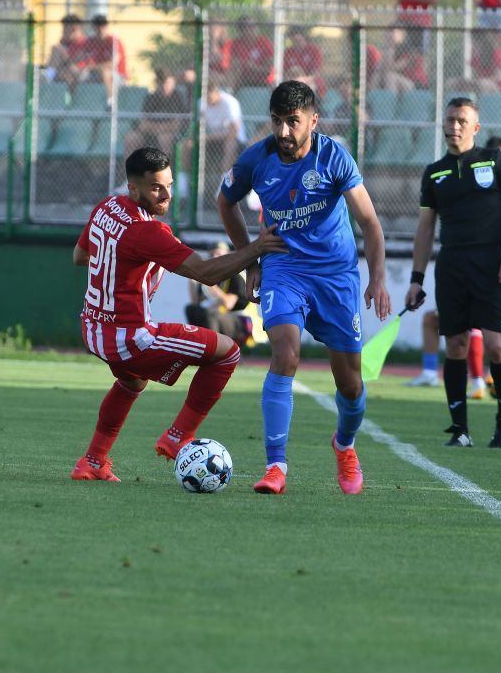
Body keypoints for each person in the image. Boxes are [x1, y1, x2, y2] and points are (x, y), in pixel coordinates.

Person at [217, 80, 391, 494]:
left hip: (336, 275)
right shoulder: (255, 160)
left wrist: (378, 277)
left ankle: (344, 445)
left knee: (350, 384)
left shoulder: (333, 157)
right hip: (284, 268)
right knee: (285, 353)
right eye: (277, 121)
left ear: (313, 120)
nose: (283, 132)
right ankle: (276, 466)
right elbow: (226, 202)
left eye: (293, 122)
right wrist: (250, 258)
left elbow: (369, 221)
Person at [73, 148, 284, 482]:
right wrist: (256, 248)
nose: (167, 194)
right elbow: (207, 274)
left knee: (132, 381)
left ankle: (93, 462)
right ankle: (177, 437)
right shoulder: (147, 233)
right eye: (156, 187)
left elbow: (79, 255)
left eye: (170, 184)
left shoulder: (106, 207)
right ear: (133, 188)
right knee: (227, 352)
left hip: (93, 328)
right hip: (130, 338)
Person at [405, 99, 501, 448]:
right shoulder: (434, 172)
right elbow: (425, 230)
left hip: (492, 264)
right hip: (452, 266)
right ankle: (459, 429)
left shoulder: (495, 161)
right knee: (456, 345)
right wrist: (416, 279)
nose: (454, 126)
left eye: (462, 121)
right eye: (449, 120)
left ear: (475, 127)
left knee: (495, 345)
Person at [185, 242, 260, 344]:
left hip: (241, 321)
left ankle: (214, 349)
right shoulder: (211, 277)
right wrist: (192, 283)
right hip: (218, 317)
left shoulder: (235, 275)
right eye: (211, 255)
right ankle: (198, 347)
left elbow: (228, 304)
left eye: (218, 254)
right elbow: (196, 304)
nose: (214, 257)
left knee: (210, 315)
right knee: (191, 310)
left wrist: (212, 287)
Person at [123, 69, 188, 155]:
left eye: (168, 83)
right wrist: (160, 129)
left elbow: (176, 126)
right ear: (157, 83)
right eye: (161, 83)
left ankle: (165, 168)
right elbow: (143, 125)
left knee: (164, 138)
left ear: (173, 82)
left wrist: (155, 128)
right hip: (149, 133)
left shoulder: (177, 98)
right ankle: (131, 168)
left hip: (168, 134)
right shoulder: (151, 97)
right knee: (131, 138)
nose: (165, 86)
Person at [200, 80, 246, 176]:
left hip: (234, 139)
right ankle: (184, 184)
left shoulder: (230, 102)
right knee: (188, 144)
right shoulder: (201, 102)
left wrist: (207, 137)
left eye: (209, 96)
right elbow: (196, 126)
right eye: (205, 96)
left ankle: (224, 181)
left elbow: (234, 131)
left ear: (217, 93)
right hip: (210, 139)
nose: (207, 99)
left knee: (230, 143)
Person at [81, 14, 129, 98]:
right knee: (77, 74)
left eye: (103, 25)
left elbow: (113, 64)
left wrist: (93, 67)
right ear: (93, 27)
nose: (100, 28)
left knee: (106, 73)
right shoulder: (90, 42)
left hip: (118, 75)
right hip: (95, 74)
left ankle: (110, 101)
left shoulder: (113, 41)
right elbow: (83, 60)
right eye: (98, 25)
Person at [45, 13, 91, 90]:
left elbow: (87, 61)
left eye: (66, 28)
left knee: (57, 49)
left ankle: (48, 76)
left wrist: (78, 66)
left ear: (75, 28)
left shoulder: (85, 43)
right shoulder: (65, 44)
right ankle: (48, 76)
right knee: (56, 50)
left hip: (81, 70)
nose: (63, 31)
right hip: (67, 70)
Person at [282, 26, 326, 98]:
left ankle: (311, 108)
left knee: (308, 88)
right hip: (291, 80)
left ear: (303, 36)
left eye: (298, 34)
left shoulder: (314, 50)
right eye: (293, 34)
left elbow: (316, 73)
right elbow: (284, 71)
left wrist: (303, 79)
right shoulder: (288, 52)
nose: (295, 37)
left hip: (309, 81)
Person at [232, 17, 274, 88]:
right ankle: (229, 94)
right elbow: (233, 66)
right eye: (250, 26)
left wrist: (254, 67)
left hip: (264, 80)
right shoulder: (236, 44)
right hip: (241, 80)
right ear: (242, 30)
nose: (254, 29)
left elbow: (269, 70)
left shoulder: (265, 43)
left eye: (255, 26)